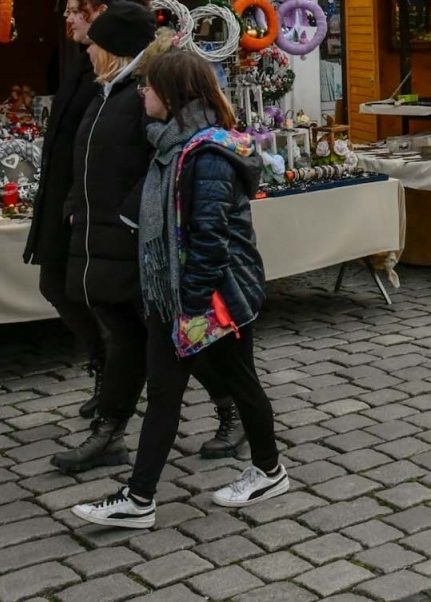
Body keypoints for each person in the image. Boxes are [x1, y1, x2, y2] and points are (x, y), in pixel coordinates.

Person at [72, 49, 287, 528]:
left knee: (240, 383)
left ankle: (269, 470)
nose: (142, 93)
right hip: (175, 295)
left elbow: (210, 238)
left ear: (170, 94)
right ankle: (139, 498)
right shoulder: (171, 147)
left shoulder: (206, 154)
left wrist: (190, 306)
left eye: (148, 86)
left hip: (212, 298)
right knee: (166, 392)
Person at [24, 0, 131, 420]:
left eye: (74, 9)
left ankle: (116, 384)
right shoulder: (81, 61)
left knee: (108, 304)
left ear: (99, 13)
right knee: (56, 284)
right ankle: (105, 368)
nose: (66, 17)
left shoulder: (119, 68)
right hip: (65, 196)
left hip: (90, 201)